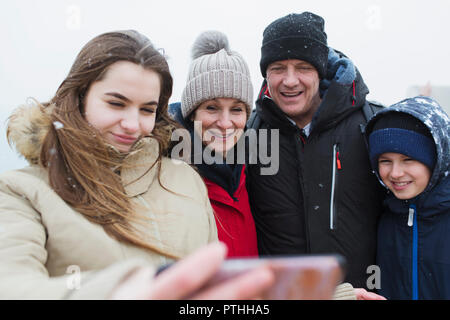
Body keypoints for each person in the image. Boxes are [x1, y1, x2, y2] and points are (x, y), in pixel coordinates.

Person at [0, 30, 274, 299]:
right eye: (116, 104)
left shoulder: (185, 180)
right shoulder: (21, 192)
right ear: (80, 97)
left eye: (147, 110)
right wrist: (116, 291)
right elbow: (12, 284)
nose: (132, 125)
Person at [245, 12, 384, 288]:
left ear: (320, 71)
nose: (290, 80)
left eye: (303, 67)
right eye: (277, 68)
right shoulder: (250, 134)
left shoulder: (371, 126)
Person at [169, 31, 258, 258]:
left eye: (237, 109)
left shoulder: (254, 173)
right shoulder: (169, 177)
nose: (225, 123)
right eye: (211, 107)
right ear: (192, 114)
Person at [365, 96, 450, 300]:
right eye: (385, 161)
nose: (395, 173)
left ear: (437, 159)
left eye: (408, 160)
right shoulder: (384, 217)